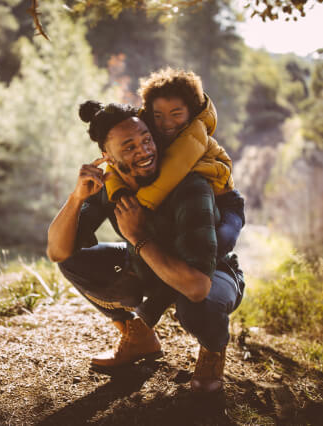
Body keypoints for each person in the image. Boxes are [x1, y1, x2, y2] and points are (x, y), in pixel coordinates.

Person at [46, 101, 244, 393]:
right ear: (108, 157)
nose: (145, 151)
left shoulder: (190, 187)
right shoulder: (111, 186)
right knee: (74, 262)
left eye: (147, 140)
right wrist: (76, 199)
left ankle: (212, 352)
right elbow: (57, 252)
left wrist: (138, 237)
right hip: (150, 268)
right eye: (129, 147)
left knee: (197, 305)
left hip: (212, 273)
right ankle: (137, 338)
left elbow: (197, 285)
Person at [104, 68, 245, 258]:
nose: (166, 123)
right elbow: (114, 164)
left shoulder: (193, 136)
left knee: (219, 241)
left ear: (191, 112)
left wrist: (140, 205)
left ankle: (221, 275)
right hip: (190, 202)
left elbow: (171, 171)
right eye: (158, 115)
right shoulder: (148, 134)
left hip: (224, 202)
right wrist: (119, 192)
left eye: (176, 114)